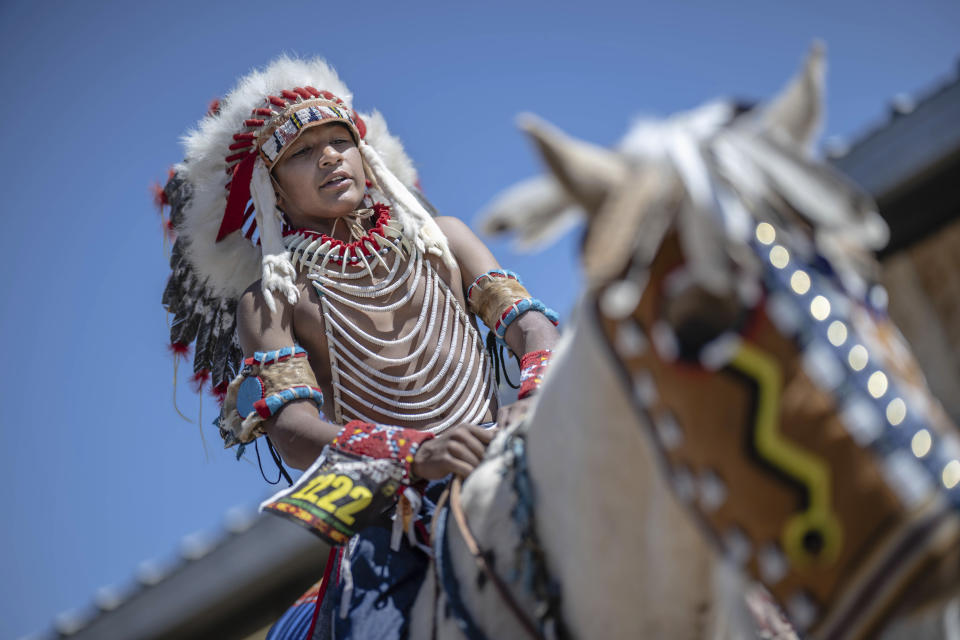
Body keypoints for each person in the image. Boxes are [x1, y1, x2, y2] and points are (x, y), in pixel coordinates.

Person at [160, 57, 559, 639]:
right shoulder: (272, 300)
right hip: (394, 509)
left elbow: (532, 327)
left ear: (364, 156)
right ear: (272, 187)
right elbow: (293, 431)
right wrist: (414, 454)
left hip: (506, 455)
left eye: (339, 141)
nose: (328, 158)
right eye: (301, 152)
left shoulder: (442, 239)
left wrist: (533, 396)